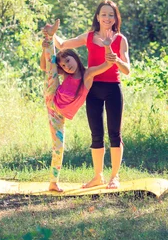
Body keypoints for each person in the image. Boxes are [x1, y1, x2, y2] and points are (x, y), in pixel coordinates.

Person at [52, 0, 131, 189]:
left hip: (113, 88)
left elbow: (127, 69)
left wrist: (117, 60)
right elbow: (62, 44)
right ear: (97, 17)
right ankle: (98, 176)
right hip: (94, 89)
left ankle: (114, 177)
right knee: (96, 134)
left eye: (111, 14)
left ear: (115, 18)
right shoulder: (88, 37)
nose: (107, 18)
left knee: (115, 133)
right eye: (103, 14)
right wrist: (51, 33)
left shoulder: (121, 39)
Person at [40, 19, 113, 192]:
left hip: (59, 115)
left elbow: (108, 63)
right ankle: (48, 37)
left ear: (75, 57)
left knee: (59, 146)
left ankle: (53, 182)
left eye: (68, 61)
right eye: (63, 65)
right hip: (52, 97)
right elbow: (46, 67)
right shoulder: (63, 72)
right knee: (51, 71)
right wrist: (44, 48)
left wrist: (108, 46)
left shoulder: (87, 74)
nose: (67, 66)